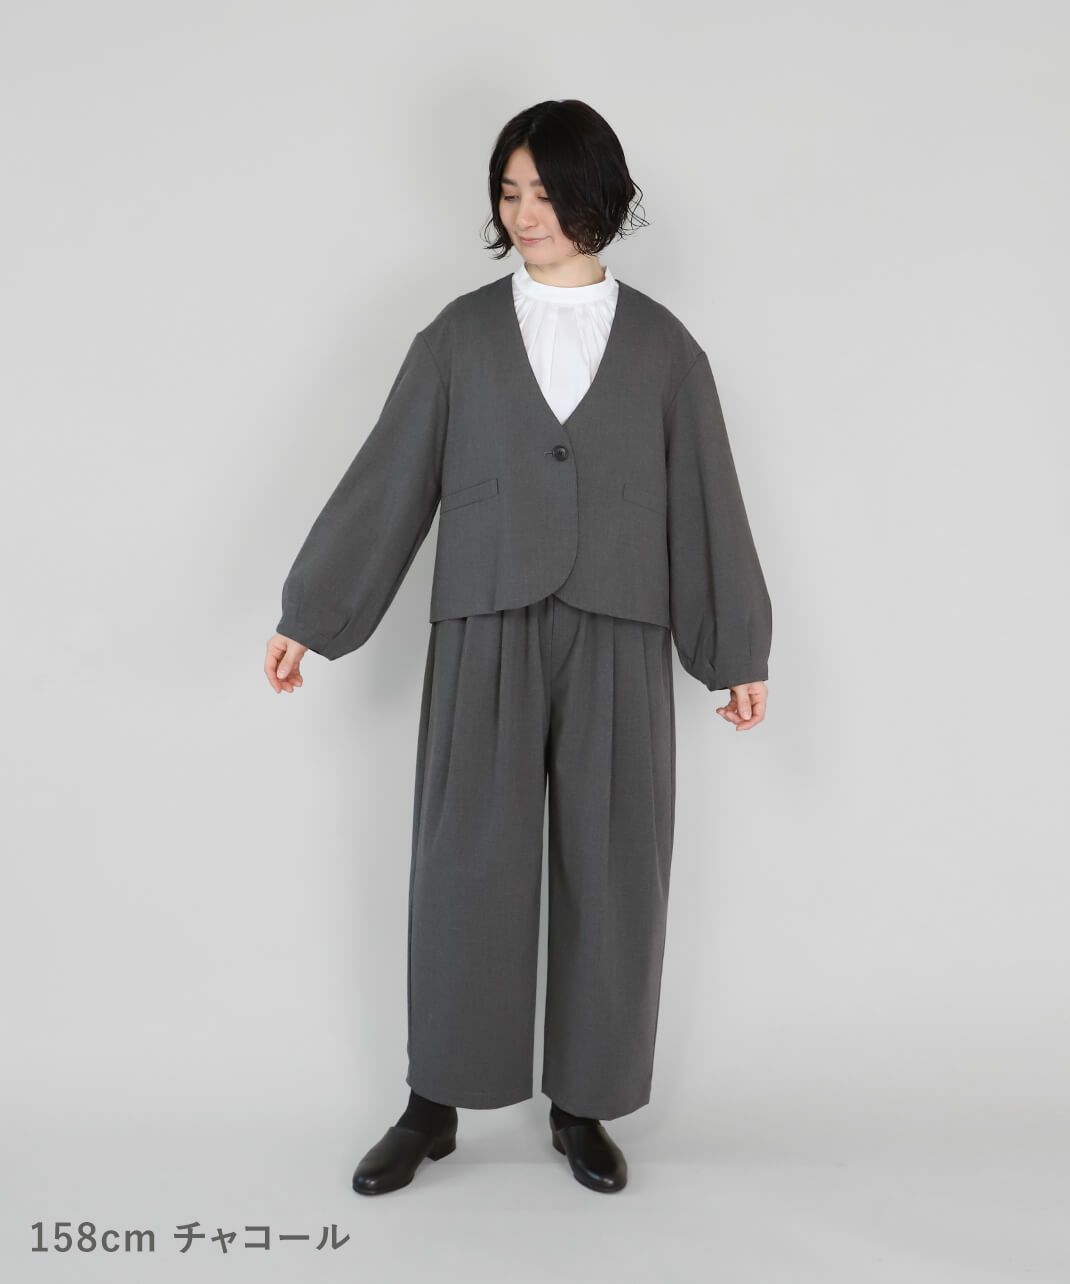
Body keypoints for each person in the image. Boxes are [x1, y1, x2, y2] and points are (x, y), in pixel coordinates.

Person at [265, 99, 773, 1196]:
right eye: (509, 191)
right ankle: (433, 1104)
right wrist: (314, 612)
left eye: (545, 191)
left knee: (614, 868)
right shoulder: (456, 336)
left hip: (620, 628)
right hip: (484, 623)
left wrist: (734, 648)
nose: (524, 212)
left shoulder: (665, 349)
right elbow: (391, 474)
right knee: (465, 863)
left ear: (600, 196)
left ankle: (582, 1105)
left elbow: (706, 498)